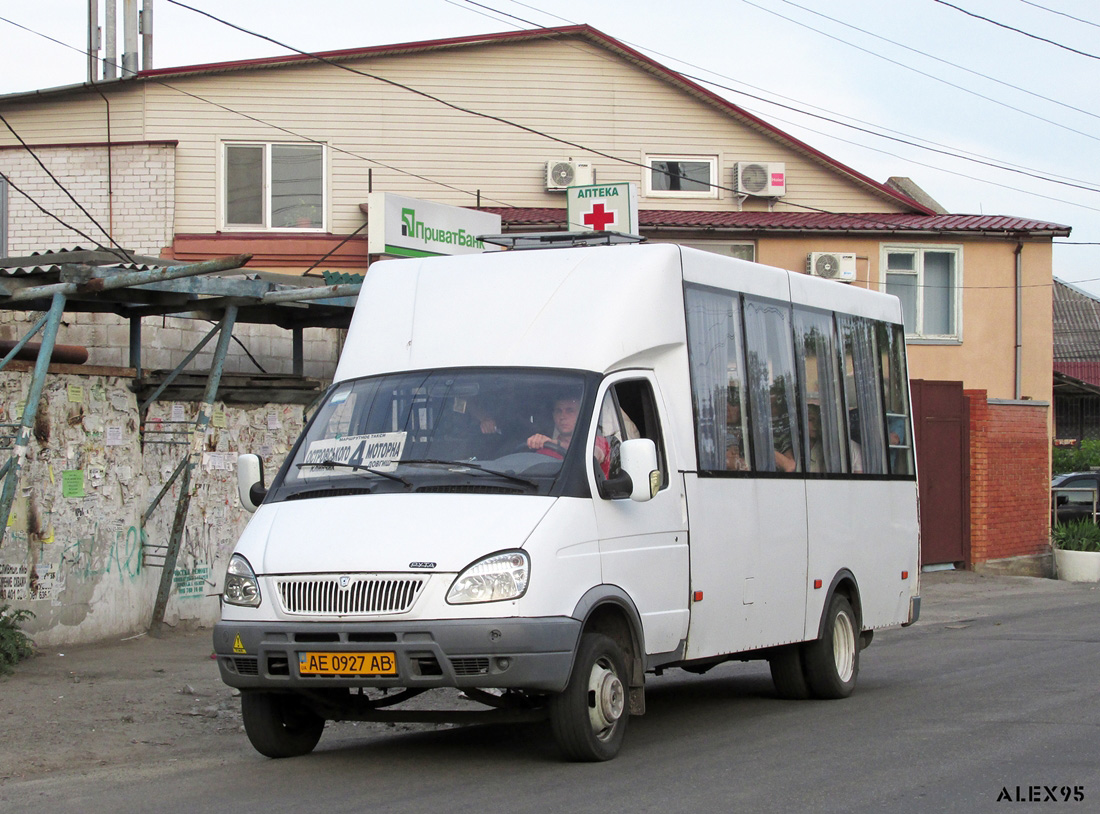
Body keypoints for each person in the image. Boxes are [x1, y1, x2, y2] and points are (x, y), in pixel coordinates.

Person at [527, 394, 609, 476]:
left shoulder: (596, 440)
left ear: (580, 415)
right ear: (553, 415)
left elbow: (592, 455)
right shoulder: (544, 451)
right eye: (558, 411)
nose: (562, 416)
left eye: (570, 411)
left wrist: (555, 443)